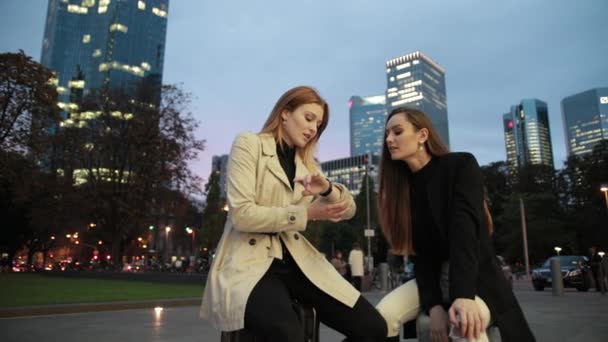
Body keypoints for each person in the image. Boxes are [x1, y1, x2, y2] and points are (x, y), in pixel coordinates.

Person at [200, 86, 387, 342]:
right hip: (249, 262)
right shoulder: (249, 144)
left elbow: (350, 210)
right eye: (309, 118)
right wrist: (306, 213)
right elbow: (242, 215)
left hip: (297, 264)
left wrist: (328, 188)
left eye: (318, 125)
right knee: (290, 335)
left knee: (374, 328)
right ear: (285, 113)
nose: (313, 129)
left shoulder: (308, 166)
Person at [374, 107, 535, 342]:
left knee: (464, 322)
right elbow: (422, 257)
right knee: (383, 316)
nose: (389, 139)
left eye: (397, 132)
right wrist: (434, 306)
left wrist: (463, 296)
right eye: (387, 134)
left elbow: (465, 233)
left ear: (422, 136)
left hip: (476, 278)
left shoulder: (460, 165)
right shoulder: (404, 191)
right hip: (433, 282)